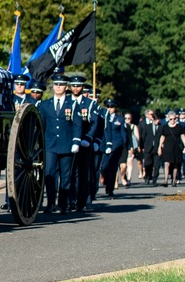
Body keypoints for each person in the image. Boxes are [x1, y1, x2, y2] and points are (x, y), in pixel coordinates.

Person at [0, 73, 31, 213]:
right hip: (3, 140)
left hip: (20, 142)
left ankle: (10, 202)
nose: (19, 86)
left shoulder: (30, 102)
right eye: (17, 84)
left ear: (25, 86)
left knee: (13, 171)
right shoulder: (8, 100)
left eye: (22, 84)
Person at [37, 73, 81, 214]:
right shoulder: (45, 105)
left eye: (61, 84)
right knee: (49, 173)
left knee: (66, 176)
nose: (58, 87)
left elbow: (77, 125)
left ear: (66, 87)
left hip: (67, 145)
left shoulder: (73, 105)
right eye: (56, 84)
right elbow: (42, 125)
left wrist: (76, 141)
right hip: (50, 144)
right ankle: (50, 203)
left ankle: (63, 204)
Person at [68, 75, 97, 211]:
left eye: (78, 86)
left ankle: (82, 202)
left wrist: (89, 138)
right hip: (68, 142)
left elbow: (94, 123)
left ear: (82, 87)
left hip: (84, 143)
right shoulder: (66, 101)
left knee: (83, 173)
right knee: (69, 173)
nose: (75, 88)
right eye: (73, 86)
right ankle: (70, 200)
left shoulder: (90, 103)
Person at [100, 99, 126, 198]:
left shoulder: (119, 119)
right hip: (104, 146)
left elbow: (123, 134)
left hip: (116, 147)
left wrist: (125, 146)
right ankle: (105, 178)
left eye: (112, 107)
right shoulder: (102, 117)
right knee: (103, 167)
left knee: (112, 168)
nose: (110, 109)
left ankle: (110, 189)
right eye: (108, 107)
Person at [157, 109, 185, 187]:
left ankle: (174, 180)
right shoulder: (165, 127)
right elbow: (162, 137)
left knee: (175, 165)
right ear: (168, 119)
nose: (173, 120)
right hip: (167, 148)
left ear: (176, 119)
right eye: (171, 119)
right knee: (166, 163)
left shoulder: (179, 127)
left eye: (174, 119)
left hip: (176, 148)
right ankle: (166, 180)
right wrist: (160, 147)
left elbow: (183, 136)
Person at [138, 109, 160, 185]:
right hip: (148, 147)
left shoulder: (161, 127)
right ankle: (147, 176)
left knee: (156, 164)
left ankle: (154, 180)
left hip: (157, 148)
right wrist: (140, 146)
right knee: (147, 164)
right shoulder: (147, 126)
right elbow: (142, 136)